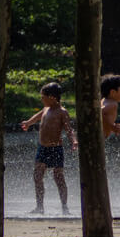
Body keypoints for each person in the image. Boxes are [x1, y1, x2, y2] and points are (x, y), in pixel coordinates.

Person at [20, 82, 77, 215]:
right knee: (37, 176)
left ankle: (65, 207)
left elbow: (68, 129)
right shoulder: (46, 109)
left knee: (58, 177)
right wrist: (28, 122)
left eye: (43, 96)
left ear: (52, 97)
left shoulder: (62, 112)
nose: (41, 99)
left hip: (55, 149)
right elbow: (37, 116)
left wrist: (73, 141)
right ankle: (40, 207)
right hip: (42, 148)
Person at [100, 73, 120, 139]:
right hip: (97, 140)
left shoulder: (103, 100)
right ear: (113, 92)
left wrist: (113, 125)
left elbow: (103, 117)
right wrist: (113, 127)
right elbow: (99, 113)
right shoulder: (113, 104)